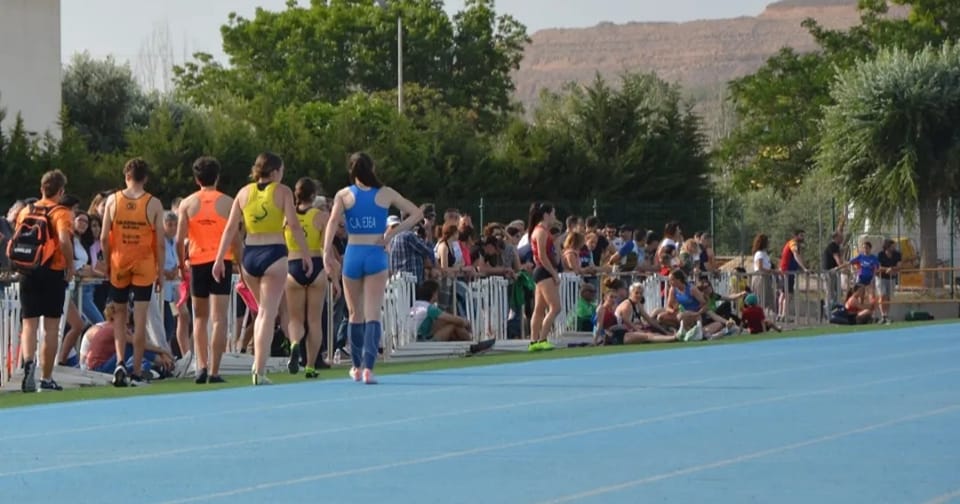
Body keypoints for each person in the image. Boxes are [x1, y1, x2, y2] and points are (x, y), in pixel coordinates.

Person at [323, 152, 422, 385]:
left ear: (351, 171)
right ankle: (368, 368)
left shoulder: (344, 195)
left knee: (354, 313)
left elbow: (331, 223)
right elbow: (416, 213)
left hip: (354, 253)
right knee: (373, 313)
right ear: (372, 168)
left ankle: (356, 367)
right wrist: (392, 233)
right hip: (376, 253)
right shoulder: (385, 193)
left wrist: (326, 252)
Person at [213, 152, 311, 386]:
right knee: (267, 313)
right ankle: (258, 368)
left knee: (262, 312)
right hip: (274, 253)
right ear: (276, 172)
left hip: (250, 255)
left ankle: (258, 365)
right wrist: (305, 253)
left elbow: (230, 228)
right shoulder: (283, 191)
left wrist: (219, 259)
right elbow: (294, 225)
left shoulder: (243, 192)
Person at [100, 158, 165, 387]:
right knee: (139, 320)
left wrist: (108, 263)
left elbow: (103, 238)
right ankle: (136, 370)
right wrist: (160, 272)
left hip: (120, 261)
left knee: (118, 317)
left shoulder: (112, 200)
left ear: (126, 176)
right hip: (144, 265)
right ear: (145, 178)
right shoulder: (154, 203)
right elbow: (160, 243)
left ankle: (120, 362)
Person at [176, 156, 240, 384]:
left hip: (197, 262)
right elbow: (235, 238)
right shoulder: (228, 202)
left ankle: (201, 366)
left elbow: (179, 239)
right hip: (221, 262)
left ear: (196, 179)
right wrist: (240, 264)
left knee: (200, 318)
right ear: (218, 177)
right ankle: (214, 369)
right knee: (219, 319)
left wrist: (181, 262)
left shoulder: (187, 203)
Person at [11, 170, 75, 392]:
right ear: (61, 191)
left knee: (29, 323)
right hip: (52, 270)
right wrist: (70, 264)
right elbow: (65, 241)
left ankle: (28, 363)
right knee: (50, 327)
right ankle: (46, 378)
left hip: (27, 270)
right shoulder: (61, 213)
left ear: (41, 189)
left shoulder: (26, 211)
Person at [284, 177, 331, 379]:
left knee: (295, 318)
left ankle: (295, 343)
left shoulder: (286, 217)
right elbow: (325, 247)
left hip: (292, 266)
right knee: (314, 320)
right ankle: (311, 365)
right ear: (313, 195)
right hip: (316, 265)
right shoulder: (321, 217)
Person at [527, 202, 561, 352]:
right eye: (553, 213)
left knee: (539, 309)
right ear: (546, 214)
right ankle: (542, 338)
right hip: (543, 272)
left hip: (542, 270)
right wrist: (554, 274)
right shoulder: (540, 231)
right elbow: (541, 255)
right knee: (555, 307)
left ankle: (534, 341)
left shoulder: (543, 231)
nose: (554, 217)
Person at [877, 239, 902, 324]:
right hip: (881, 277)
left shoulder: (897, 254)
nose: (894, 247)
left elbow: (899, 266)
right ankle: (883, 315)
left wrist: (892, 268)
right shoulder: (881, 254)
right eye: (892, 246)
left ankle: (887, 315)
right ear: (887, 246)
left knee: (888, 297)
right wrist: (887, 269)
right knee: (882, 295)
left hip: (891, 278)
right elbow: (879, 267)